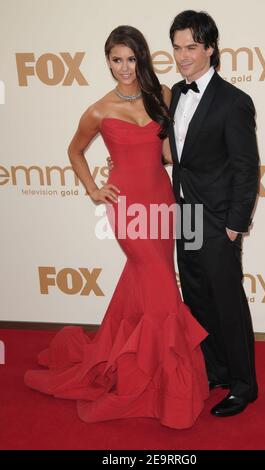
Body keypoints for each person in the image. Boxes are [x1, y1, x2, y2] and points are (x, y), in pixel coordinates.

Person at [24, 25, 209, 429]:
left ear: (141, 58)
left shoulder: (162, 96)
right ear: (108, 62)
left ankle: (122, 355)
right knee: (162, 285)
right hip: (126, 206)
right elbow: (74, 151)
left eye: (130, 58)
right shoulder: (98, 109)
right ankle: (167, 388)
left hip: (161, 199)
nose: (124, 68)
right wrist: (93, 188)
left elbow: (165, 152)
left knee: (149, 283)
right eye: (116, 60)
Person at [168, 10, 260, 417]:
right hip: (184, 216)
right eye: (176, 47)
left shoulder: (234, 102)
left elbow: (245, 168)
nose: (182, 56)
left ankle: (244, 384)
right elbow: (179, 158)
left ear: (209, 48)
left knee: (227, 303)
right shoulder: (174, 92)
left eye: (191, 47)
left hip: (218, 220)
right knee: (197, 300)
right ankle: (216, 370)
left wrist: (235, 225)